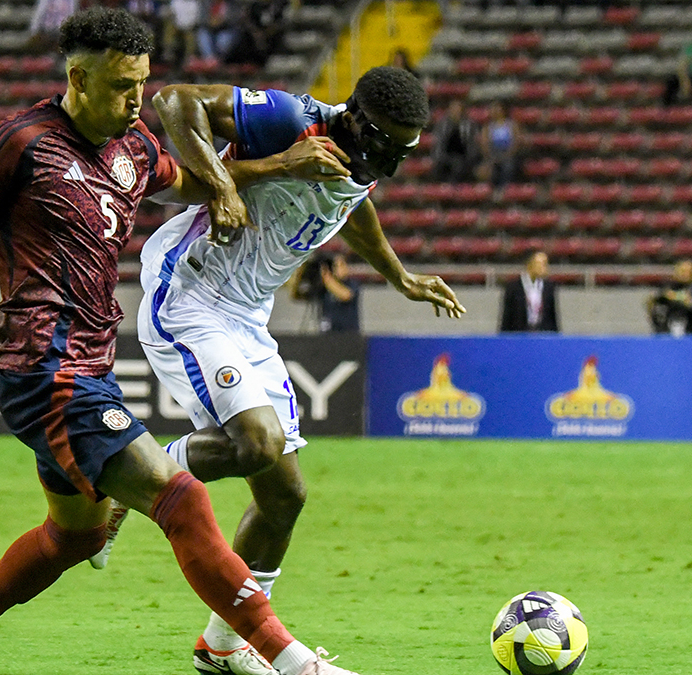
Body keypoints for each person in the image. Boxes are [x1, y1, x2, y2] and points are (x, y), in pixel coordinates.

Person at [0, 9, 362, 675]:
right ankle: (289, 661)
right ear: (77, 78)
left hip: (91, 370)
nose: (137, 100)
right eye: (120, 87)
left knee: (74, 535)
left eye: (141, 84)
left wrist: (269, 166)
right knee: (182, 497)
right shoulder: (14, 143)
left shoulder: (131, 147)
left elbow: (189, 182)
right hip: (44, 369)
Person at [91, 67, 465, 673]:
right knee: (259, 443)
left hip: (245, 314)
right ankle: (125, 479)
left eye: (404, 150)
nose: (390, 162)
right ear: (355, 120)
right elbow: (174, 101)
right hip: (191, 292)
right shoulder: (293, 119)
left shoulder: (362, 163)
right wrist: (225, 185)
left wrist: (399, 276)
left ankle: (222, 645)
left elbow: (351, 208)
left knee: (285, 495)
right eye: (385, 145)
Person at [288, 251, 362, 333]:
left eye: (338, 265)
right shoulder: (322, 286)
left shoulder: (351, 283)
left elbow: (345, 295)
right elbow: (299, 296)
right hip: (326, 334)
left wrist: (326, 277)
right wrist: (301, 273)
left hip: (347, 334)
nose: (335, 268)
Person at [499, 249, 559, 333]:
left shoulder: (548, 287)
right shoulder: (513, 287)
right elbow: (506, 318)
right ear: (529, 265)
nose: (545, 268)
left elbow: (553, 318)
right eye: (542, 264)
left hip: (543, 335)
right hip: (519, 335)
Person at [648, 258, 692, 337]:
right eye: (682, 271)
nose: (684, 274)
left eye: (688, 271)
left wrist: (684, 300)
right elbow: (654, 306)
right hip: (669, 334)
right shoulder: (668, 287)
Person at [430, 99, 479, 183]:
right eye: (453, 109)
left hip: (464, 156)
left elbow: (471, 144)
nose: (455, 112)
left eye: (458, 109)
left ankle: (452, 188)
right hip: (445, 155)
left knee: (458, 165)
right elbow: (439, 143)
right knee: (438, 166)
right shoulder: (442, 125)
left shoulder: (469, 125)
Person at [479, 100, 517, 188]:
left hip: (507, 153)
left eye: (497, 109)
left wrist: (507, 155)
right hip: (493, 153)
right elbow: (484, 144)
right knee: (488, 169)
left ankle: (504, 188)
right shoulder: (488, 126)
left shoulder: (511, 125)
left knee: (508, 167)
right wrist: (489, 156)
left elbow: (516, 142)